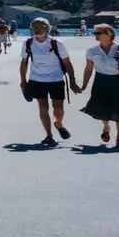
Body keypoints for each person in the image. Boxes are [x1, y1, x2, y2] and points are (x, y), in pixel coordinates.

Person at [19, 17, 76, 147]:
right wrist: (23, 81)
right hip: (37, 79)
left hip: (56, 80)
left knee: (58, 110)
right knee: (43, 108)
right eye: (34, 27)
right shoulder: (28, 43)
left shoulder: (56, 44)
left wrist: (72, 81)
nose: (36, 30)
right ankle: (49, 135)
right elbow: (24, 63)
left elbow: (67, 62)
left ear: (46, 28)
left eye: (39, 27)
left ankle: (59, 124)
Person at [78, 22, 119, 149]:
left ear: (109, 34)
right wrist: (84, 85)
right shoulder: (92, 50)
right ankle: (106, 126)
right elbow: (88, 69)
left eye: (98, 33)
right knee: (103, 108)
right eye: (95, 33)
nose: (96, 35)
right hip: (101, 82)